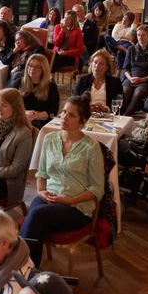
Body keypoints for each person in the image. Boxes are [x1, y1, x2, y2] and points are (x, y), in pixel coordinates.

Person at [22, 106, 103, 270]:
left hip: (77, 207)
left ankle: (18, 267)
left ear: (81, 121)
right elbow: (42, 173)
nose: (64, 116)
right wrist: (40, 191)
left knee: (36, 215)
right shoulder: (50, 138)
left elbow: (97, 189)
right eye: (64, 112)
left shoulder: (91, 147)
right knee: (36, 218)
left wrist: (70, 200)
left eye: (71, 115)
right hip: (50, 198)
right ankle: (29, 271)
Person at [121, 24, 148, 116]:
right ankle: (119, 114)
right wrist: (130, 78)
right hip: (130, 78)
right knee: (125, 92)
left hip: (146, 80)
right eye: (138, 35)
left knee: (138, 93)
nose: (140, 37)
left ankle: (126, 116)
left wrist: (142, 79)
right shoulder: (131, 49)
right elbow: (126, 68)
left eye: (143, 35)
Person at [74, 49, 124, 114]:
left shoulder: (115, 83)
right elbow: (74, 102)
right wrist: (87, 108)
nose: (97, 66)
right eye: (95, 62)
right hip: (86, 116)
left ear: (107, 68)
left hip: (107, 117)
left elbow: (122, 107)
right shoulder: (82, 81)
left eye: (101, 64)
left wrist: (106, 109)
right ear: (91, 64)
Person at [20, 54, 60, 130]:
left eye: (37, 67)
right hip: (21, 118)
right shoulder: (19, 82)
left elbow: (53, 111)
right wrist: (25, 113)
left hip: (40, 122)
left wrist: (36, 115)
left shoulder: (51, 86)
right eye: (30, 65)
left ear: (43, 69)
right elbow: (11, 103)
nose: (32, 69)